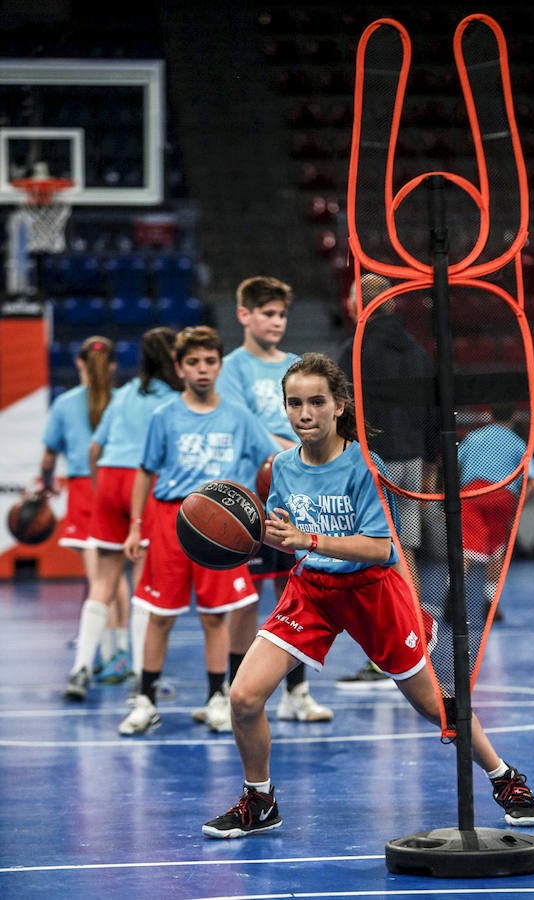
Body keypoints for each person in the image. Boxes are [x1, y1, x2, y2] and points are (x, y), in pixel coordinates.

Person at [202, 352, 534, 838]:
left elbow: (380, 546)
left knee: (432, 706)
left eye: (317, 402)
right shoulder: (281, 466)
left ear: (339, 405)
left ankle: (503, 777)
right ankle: (259, 799)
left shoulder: (366, 464)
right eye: (294, 403)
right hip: (313, 590)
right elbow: (283, 532)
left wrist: (308, 539)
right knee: (243, 696)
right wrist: (249, 535)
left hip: (373, 590)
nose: (305, 413)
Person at [117, 324, 281, 736]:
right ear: (179, 367)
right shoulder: (164, 416)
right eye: (193, 362)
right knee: (159, 617)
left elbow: (272, 460)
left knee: (215, 618)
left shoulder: (239, 416)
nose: (203, 369)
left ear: (219, 365)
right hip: (170, 520)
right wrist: (136, 526)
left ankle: (215, 699)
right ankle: (145, 700)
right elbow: (144, 472)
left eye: (210, 361)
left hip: (222, 527)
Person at [204, 275, 332, 731]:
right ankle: (226, 694)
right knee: (243, 600)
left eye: (282, 314)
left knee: (295, 594)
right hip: (246, 503)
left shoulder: (297, 364)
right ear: (244, 315)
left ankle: (296, 692)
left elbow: (315, 418)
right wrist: (298, 451)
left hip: (294, 500)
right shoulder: (232, 368)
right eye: (268, 313)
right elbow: (249, 428)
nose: (277, 322)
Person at [63, 327, 183, 701]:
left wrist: (101, 492)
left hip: (109, 478)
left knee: (102, 583)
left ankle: (80, 669)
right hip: (140, 483)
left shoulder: (126, 392)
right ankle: (137, 675)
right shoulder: (175, 399)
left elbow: (95, 449)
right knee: (143, 585)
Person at [335, 274, 440, 690]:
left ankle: (393, 651)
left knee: (378, 557)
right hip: (413, 460)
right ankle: (414, 639)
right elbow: (436, 414)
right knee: (405, 553)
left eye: (351, 297)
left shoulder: (355, 350)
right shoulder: (418, 353)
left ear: (365, 303)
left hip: (371, 463)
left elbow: (342, 413)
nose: (347, 304)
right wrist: (431, 467)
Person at [40, 335, 130, 701]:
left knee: (100, 577)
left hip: (83, 488)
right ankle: (118, 651)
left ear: (79, 364)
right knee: (114, 574)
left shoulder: (64, 403)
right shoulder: (125, 400)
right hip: (118, 485)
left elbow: (48, 460)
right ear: (112, 366)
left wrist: (45, 487)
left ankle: (112, 656)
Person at [456, 402, 534, 622]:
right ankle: (491, 603)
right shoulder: (518, 443)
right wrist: (517, 507)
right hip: (502, 497)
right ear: (513, 415)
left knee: (465, 547)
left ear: (489, 414)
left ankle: (454, 596)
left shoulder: (473, 438)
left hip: (470, 495)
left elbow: (453, 465)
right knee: (496, 550)